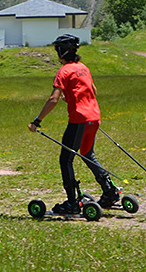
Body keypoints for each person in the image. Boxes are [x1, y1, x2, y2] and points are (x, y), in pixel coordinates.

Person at [27, 34, 120, 214]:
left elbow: (53, 99)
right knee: (87, 153)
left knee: (66, 159)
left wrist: (37, 121)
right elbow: (92, 90)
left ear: (61, 52)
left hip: (79, 120)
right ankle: (110, 192)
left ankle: (72, 202)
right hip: (94, 117)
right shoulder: (82, 68)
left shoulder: (64, 71)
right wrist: (72, 98)